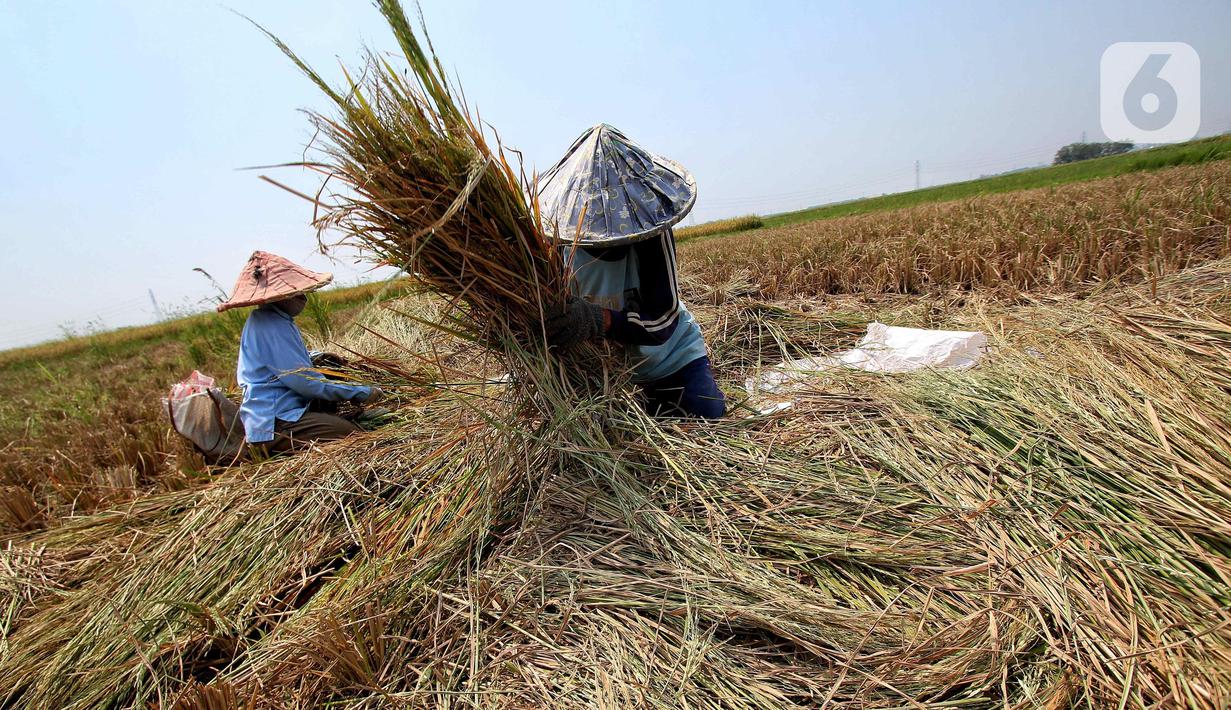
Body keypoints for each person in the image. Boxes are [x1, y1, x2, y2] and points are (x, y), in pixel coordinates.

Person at [537, 124, 724, 419]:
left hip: (669, 359)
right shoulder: (558, 244)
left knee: (707, 416)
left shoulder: (651, 235)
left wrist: (599, 320)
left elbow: (662, 322)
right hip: (606, 373)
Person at [217, 251, 384, 455]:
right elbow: (305, 382)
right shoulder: (271, 326)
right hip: (275, 423)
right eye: (296, 293)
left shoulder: (273, 319)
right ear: (278, 297)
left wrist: (316, 357)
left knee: (344, 421)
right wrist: (362, 392)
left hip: (287, 411)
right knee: (350, 435)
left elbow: (288, 360)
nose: (303, 298)